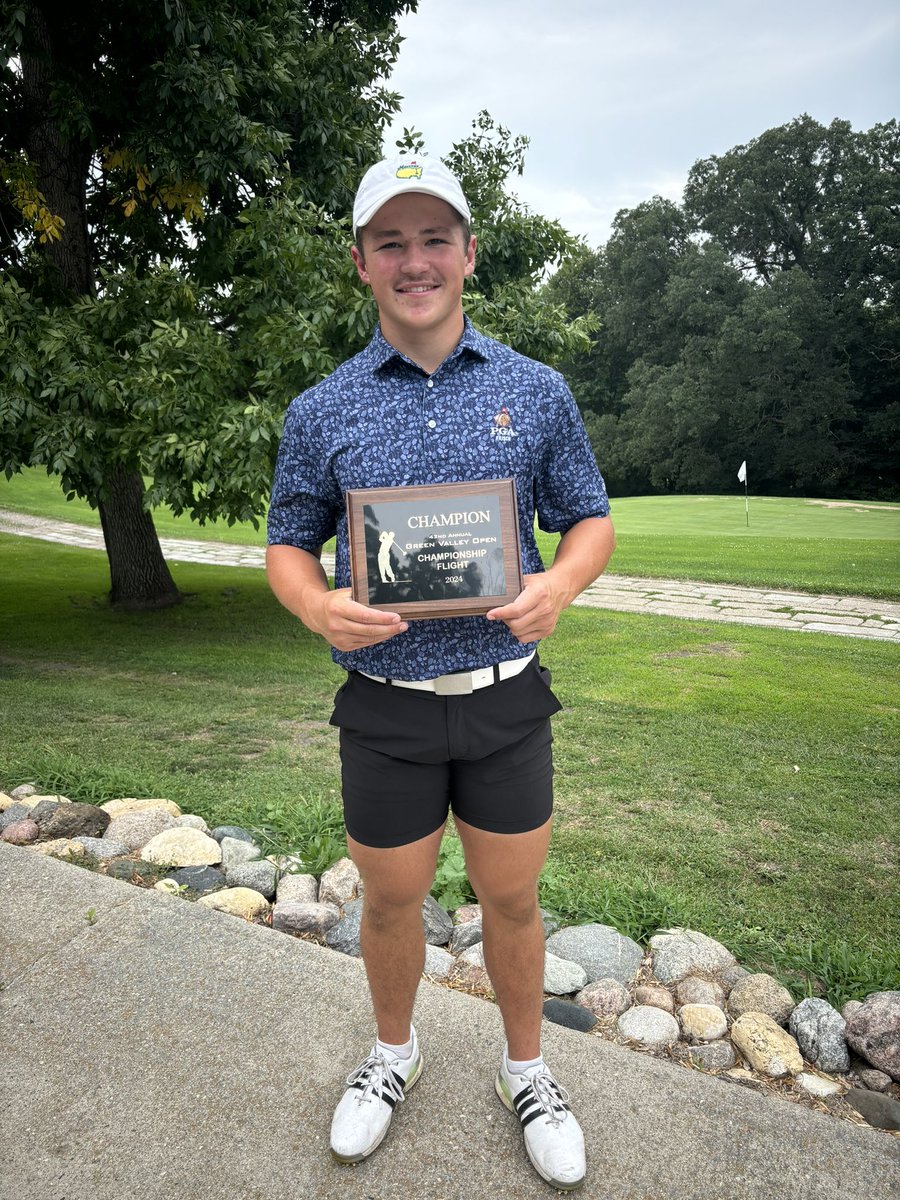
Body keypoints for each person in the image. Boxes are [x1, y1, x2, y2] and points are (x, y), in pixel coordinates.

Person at [266, 156, 615, 1192]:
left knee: (511, 901)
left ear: (467, 252)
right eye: (391, 241)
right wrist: (315, 602)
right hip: (385, 711)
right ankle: (394, 1053)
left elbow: (587, 515)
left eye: (433, 238)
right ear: (363, 263)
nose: (414, 260)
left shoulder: (534, 390)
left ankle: (527, 1072)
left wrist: (562, 585)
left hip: (507, 699)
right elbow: (289, 538)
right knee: (389, 902)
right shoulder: (321, 409)